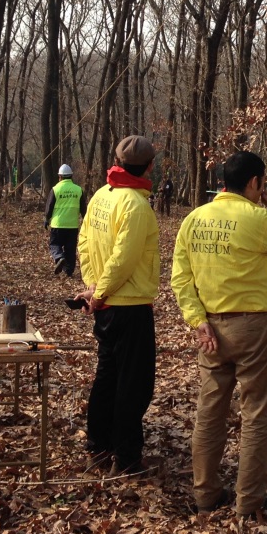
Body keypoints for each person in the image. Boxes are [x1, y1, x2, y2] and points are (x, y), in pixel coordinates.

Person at [171, 151, 267, 516]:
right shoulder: (257, 218)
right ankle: (248, 501)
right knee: (255, 414)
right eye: (262, 184)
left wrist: (196, 319)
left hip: (210, 329)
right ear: (254, 183)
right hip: (252, 327)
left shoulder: (194, 219)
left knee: (209, 412)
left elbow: (180, 277)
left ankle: (205, 494)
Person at [76, 135, 159, 476]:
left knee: (108, 377)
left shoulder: (101, 195)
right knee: (133, 385)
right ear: (150, 166)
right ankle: (126, 458)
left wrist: (93, 286)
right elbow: (123, 259)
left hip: (108, 304)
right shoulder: (136, 206)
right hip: (128, 306)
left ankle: (99, 446)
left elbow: (83, 241)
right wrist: (99, 292)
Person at [44, 164, 87, 277]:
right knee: (70, 249)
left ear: (60, 177)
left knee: (55, 244)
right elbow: (84, 209)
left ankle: (59, 257)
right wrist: (85, 221)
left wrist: (46, 219)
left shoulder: (55, 189)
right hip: (72, 226)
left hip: (57, 224)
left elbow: (49, 206)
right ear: (71, 176)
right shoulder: (78, 190)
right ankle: (69, 271)